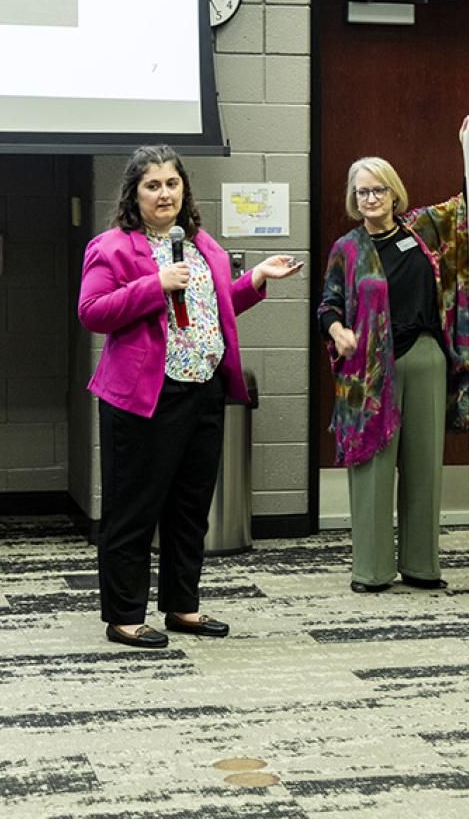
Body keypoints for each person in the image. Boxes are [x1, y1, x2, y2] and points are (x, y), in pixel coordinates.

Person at [79, 145, 303, 647]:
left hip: (203, 391)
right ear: (134, 195)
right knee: (133, 508)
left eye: (172, 183)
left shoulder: (204, 245)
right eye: (153, 185)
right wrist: (154, 284)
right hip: (143, 397)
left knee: (188, 509)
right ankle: (125, 615)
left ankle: (183, 606)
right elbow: (92, 311)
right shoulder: (113, 247)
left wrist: (257, 280)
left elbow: (214, 310)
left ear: (185, 189)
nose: (165, 194)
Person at [317, 157, 469, 594]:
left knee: (424, 467)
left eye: (378, 190)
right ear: (354, 198)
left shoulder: (422, 231)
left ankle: (422, 566)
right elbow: (326, 304)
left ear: (393, 193)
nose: (370, 199)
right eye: (362, 192)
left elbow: (466, 206)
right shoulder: (347, 249)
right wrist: (337, 330)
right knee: (373, 469)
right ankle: (372, 570)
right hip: (368, 368)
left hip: (425, 358)